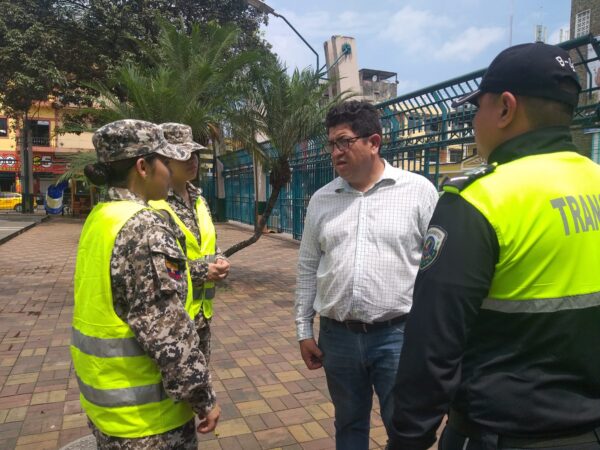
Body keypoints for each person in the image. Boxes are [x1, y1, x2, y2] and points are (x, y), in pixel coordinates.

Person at [388, 43, 600, 450]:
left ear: (505, 108)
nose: (473, 123)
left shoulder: (478, 203)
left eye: (477, 109)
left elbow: (433, 348)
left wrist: (407, 441)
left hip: (500, 434)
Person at [295, 100, 439, 450]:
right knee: (348, 425)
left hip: (398, 336)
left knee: (404, 427)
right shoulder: (322, 199)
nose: (335, 152)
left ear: (373, 142)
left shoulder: (418, 191)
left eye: (344, 141)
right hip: (338, 338)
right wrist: (303, 330)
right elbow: (307, 266)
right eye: (331, 144)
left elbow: (436, 267)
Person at [70, 119, 220, 450]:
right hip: (148, 422)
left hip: (106, 407)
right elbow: (166, 329)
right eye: (164, 162)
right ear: (143, 167)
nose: (169, 171)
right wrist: (203, 397)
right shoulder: (144, 226)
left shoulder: (101, 217)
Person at [150, 122, 230, 363]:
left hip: (202, 313)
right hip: (172, 317)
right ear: (164, 160)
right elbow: (159, 268)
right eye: (183, 154)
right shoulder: (155, 204)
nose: (192, 160)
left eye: (194, 153)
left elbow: (209, 243)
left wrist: (220, 259)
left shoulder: (198, 199)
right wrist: (203, 271)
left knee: (201, 378)